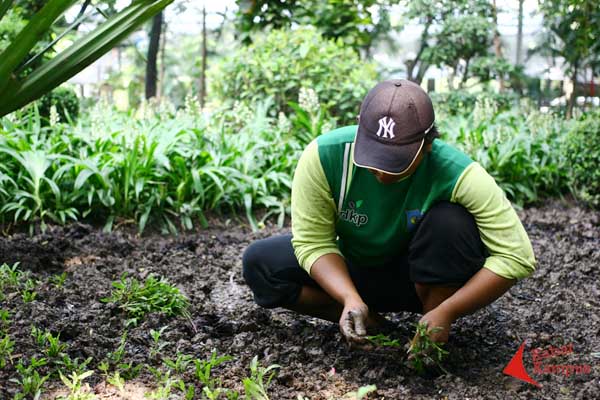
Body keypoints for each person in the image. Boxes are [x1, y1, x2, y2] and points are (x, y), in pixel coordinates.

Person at [242, 79, 536, 349]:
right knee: (261, 263)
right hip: (356, 272)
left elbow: (516, 256)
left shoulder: (459, 173)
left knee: (450, 222)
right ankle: (367, 321)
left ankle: (430, 334)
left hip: (422, 279)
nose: (382, 173)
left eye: (396, 162)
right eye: (374, 156)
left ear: (427, 145)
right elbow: (312, 243)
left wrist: (448, 311)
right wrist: (348, 297)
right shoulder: (325, 156)